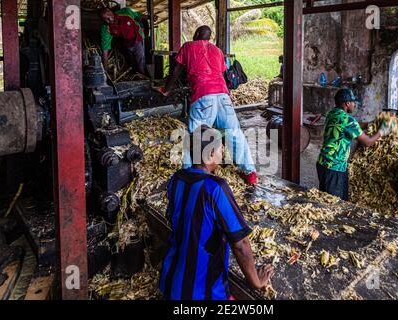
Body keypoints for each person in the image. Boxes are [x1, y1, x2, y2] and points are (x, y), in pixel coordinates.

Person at [159, 125, 273, 300]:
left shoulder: (176, 179)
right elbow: (241, 244)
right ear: (210, 154)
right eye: (221, 148)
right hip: (201, 293)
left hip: (169, 282)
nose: (223, 151)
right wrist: (256, 282)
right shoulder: (215, 187)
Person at [161, 25, 257, 185]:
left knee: (195, 135)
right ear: (209, 37)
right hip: (223, 96)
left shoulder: (188, 46)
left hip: (203, 95)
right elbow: (222, 72)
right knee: (234, 133)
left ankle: (190, 173)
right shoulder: (218, 51)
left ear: (196, 34)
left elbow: (175, 71)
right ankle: (249, 172)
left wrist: (166, 89)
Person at [317, 89, 394, 201]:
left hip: (322, 162)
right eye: (353, 102)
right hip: (334, 167)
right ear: (347, 104)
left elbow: (355, 125)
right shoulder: (348, 120)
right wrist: (382, 130)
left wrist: (372, 123)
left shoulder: (332, 113)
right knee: (333, 203)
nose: (354, 104)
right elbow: (367, 142)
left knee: (325, 197)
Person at [99, 7, 147, 75]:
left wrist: (147, 18)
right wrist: (105, 69)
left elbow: (138, 15)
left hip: (138, 38)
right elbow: (105, 48)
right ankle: (136, 78)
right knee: (132, 64)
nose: (109, 19)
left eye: (109, 16)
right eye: (106, 19)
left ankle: (144, 78)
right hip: (127, 43)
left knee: (140, 62)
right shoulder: (106, 28)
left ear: (110, 12)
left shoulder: (126, 12)